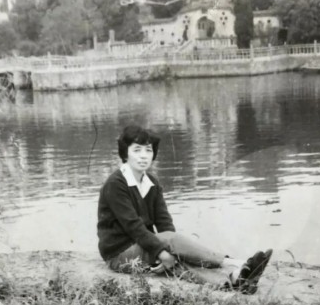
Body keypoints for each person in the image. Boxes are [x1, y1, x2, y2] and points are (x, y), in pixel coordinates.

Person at [97, 125, 273, 294]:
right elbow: (134, 227)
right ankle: (235, 263)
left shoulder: (151, 182)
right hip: (119, 254)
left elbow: (164, 222)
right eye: (137, 150)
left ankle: (232, 281)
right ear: (125, 153)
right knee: (169, 246)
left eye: (148, 150)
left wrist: (171, 252)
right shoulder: (116, 184)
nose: (143, 156)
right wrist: (161, 250)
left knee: (175, 260)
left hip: (143, 247)